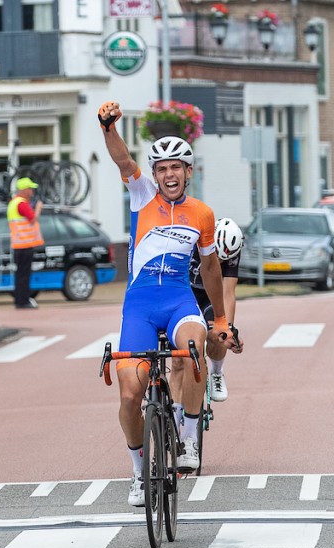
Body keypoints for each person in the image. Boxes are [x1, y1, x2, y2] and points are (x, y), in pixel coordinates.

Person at [97, 100, 237, 507]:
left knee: (193, 349)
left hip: (178, 299)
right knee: (128, 395)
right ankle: (140, 473)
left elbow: (211, 269)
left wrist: (222, 319)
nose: (169, 174)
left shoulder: (202, 214)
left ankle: (189, 438)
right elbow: (124, 162)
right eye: (162, 168)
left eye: (176, 167)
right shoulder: (142, 196)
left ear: (189, 172)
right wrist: (108, 128)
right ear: (154, 175)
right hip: (139, 304)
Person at [189, 217, 244, 403]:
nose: (219, 261)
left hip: (212, 295)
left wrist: (227, 328)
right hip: (186, 292)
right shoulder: (194, 242)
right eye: (217, 256)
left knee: (219, 335)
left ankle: (217, 372)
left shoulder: (232, 251)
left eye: (224, 259)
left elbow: (228, 293)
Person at [7, 177, 43, 309]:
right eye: (30, 189)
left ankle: (20, 299)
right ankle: (23, 301)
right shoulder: (21, 203)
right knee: (24, 275)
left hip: (18, 244)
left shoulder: (13, 203)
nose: (32, 192)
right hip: (24, 244)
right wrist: (38, 208)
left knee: (20, 274)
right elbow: (33, 218)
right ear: (24, 190)